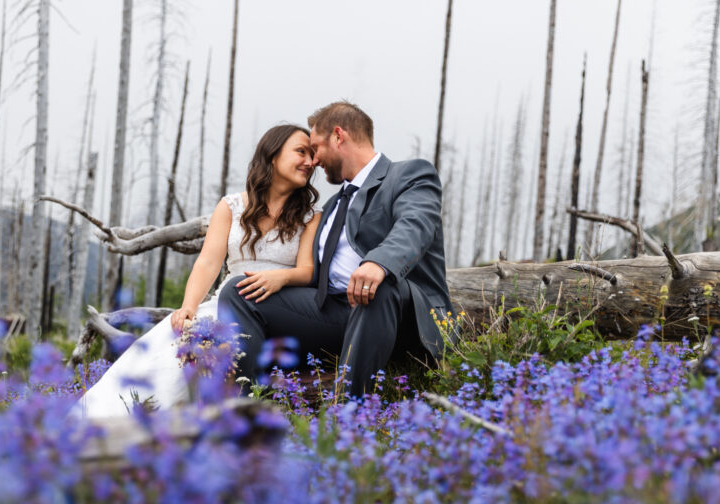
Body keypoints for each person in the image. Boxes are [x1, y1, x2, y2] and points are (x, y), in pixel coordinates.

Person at [72, 124, 320, 418]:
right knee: (168, 347)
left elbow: (307, 271)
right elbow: (208, 262)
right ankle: (111, 420)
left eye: (313, 155)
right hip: (227, 301)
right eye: (301, 152)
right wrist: (188, 307)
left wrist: (281, 278)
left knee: (219, 354)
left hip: (278, 308)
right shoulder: (232, 207)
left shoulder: (310, 216)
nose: (310, 162)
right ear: (273, 155)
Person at [219, 101, 454, 397]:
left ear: (338, 136)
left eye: (315, 148)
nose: (313, 161)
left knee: (377, 287)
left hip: (400, 315)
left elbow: (415, 226)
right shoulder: (331, 207)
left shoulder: (409, 175)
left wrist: (378, 263)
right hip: (337, 311)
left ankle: (349, 416)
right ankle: (245, 405)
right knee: (238, 291)